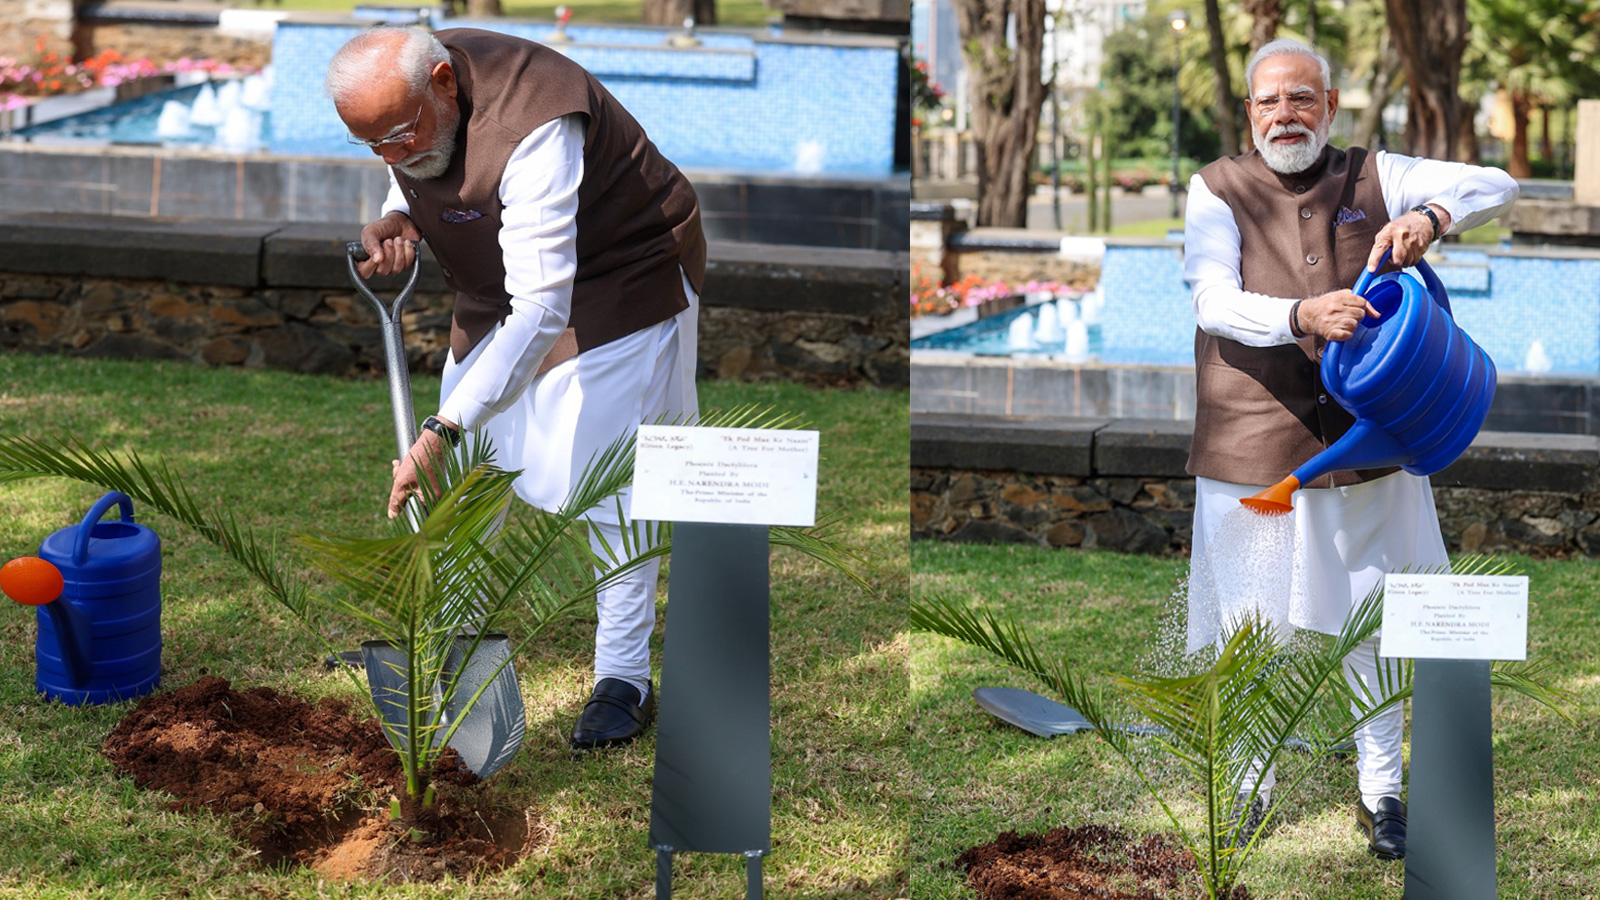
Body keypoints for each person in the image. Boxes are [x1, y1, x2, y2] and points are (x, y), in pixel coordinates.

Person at [324, 25, 707, 750]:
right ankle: (453, 644)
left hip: (623, 275)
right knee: (466, 481)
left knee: (610, 482)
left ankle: (624, 677)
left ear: (443, 82)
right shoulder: (417, 109)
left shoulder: (540, 118)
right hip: (502, 283)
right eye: (372, 144)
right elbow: (422, 162)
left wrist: (442, 426)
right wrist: (401, 212)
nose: (391, 155)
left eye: (399, 136)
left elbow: (542, 309)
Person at [1181, 38, 1518, 859]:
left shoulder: (1377, 172)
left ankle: (1383, 793)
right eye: (1270, 102)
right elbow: (1213, 300)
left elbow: (1499, 183)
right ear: (1250, 113)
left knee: (1374, 622)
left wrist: (1431, 217)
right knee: (1248, 630)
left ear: (1329, 107)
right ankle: (1252, 785)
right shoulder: (1215, 188)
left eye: (1303, 98)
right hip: (1251, 444)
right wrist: (1302, 317)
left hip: (1373, 448)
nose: (1286, 115)